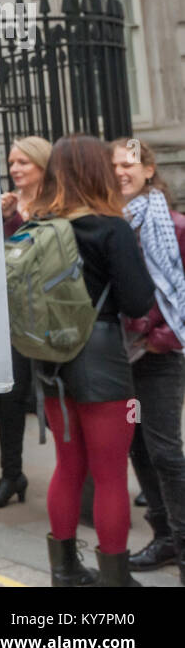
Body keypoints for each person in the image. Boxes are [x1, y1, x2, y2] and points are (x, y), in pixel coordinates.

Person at [30, 135, 156, 587]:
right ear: (95, 172)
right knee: (109, 475)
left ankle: (64, 572)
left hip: (49, 363)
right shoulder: (109, 228)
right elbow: (138, 302)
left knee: (68, 467)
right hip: (101, 358)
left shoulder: (38, 227)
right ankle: (116, 579)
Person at [111, 137, 185, 583]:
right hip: (121, 357)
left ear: (149, 170)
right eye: (115, 165)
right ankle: (163, 539)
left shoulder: (173, 224)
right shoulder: (113, 224)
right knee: (137, 448)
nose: (122, 171)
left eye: (130, 164)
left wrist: (161, 337)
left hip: (158, 355)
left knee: (165, 451)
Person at [0, 136, 52, 509]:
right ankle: (11, 474)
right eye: (11, 162)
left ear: (43, 165)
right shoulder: (5, 208)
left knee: (62, 401)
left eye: (24, 162)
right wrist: (1, 218)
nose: (15, 169)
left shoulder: (58, 205)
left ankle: (85, 481)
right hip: (13, 319)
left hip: (52, 320)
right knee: (9, 397)